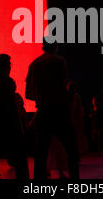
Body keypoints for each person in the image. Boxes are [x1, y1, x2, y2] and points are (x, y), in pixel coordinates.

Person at [25, 38, 79, 180]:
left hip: (43, 112)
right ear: (55, 46)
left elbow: (28, 93)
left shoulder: (34, 64)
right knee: (72, 151)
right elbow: (62, 86)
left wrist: (41, 99)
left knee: (41, 154)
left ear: (43, 47)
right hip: (60, 112)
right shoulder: (59, 61)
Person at [0, 54, 28, 180]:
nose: (10, 67)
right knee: (20, 159)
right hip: (11, 124)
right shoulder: (9, 82)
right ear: (4, 66)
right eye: (9, 64)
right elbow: (11, 105)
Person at [67, 81, 88, 156]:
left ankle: (75, 155)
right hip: (69, 122)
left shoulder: (77, 97)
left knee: (76, 140)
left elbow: (80, 110)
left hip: (75, 123)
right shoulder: (66, 97)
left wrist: (80, 122)